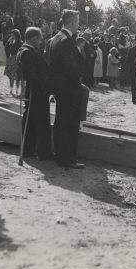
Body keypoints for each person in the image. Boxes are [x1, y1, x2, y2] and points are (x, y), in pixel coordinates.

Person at [46, 10, 86, 168]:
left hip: (59, 87)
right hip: (69, 88)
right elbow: (71, 68)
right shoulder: (67, 41)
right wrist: (78, 85)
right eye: (77, 22)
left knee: (60, 121)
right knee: (69, 124)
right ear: (72, 22)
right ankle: (68, 158)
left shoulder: (54, 38)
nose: (78, 25)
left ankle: (60, 156)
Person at [17, 27, 53, 161]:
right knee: (41, 122)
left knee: (31, 121)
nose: (41, 41)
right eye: (40, 38)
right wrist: (42, 89)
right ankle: (44, 153)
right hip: (36, 92)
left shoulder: (26, 50)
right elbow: (30, 74)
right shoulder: (27, 52)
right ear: (34, 39)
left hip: (35, 91)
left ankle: (28, 150)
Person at [3, 29, 23, 96]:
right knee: (11, 75)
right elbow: (6, 48)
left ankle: (17, 90)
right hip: (11, 58)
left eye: (13, 35)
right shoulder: (12, 41)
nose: (12, 36)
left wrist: (12, 45)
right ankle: (11, 90)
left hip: (17, 58)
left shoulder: (20, 42)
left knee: (17, 76)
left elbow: (18, 50)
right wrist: (9, 43)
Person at [127, 34, 136, 104]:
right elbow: (128, 61)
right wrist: (133, 63)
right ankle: (134, 98)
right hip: (134, 69)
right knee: (134, 84)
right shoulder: (131, 49)